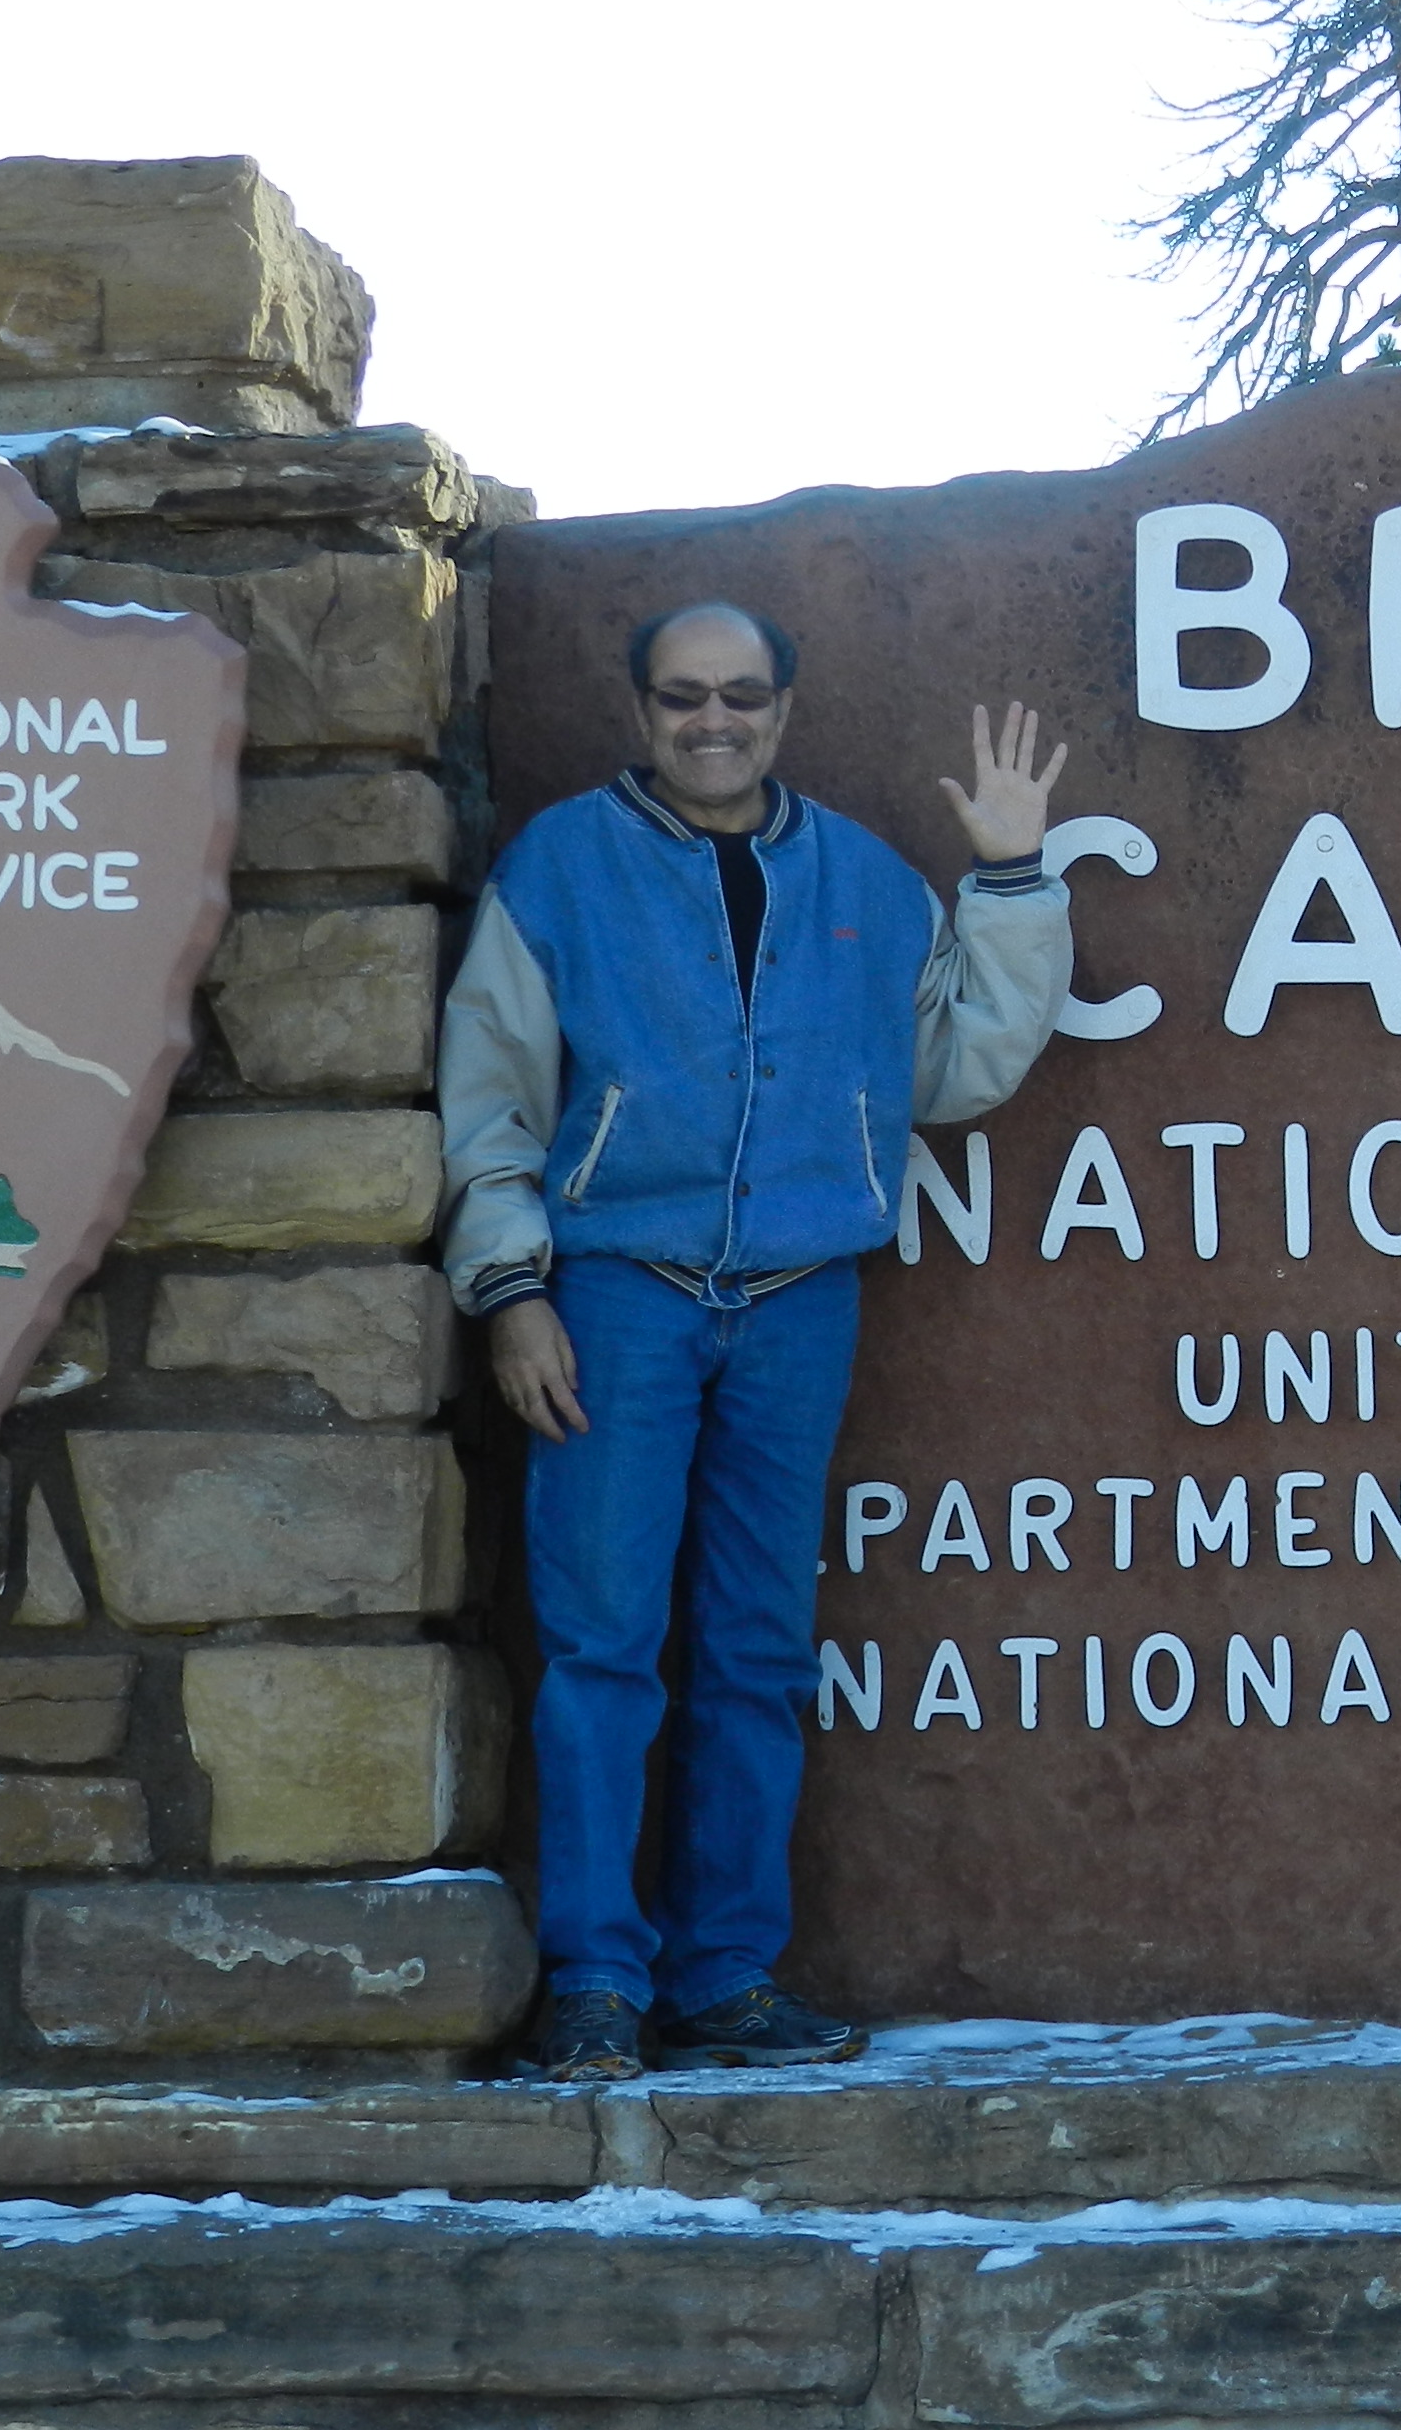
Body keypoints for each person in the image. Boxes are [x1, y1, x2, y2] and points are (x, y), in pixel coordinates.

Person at [439, 603, 1073, 2080]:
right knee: (602, 1645)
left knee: (759, 1650)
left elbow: (955, 1070)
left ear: (784, 708)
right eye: (682, 696)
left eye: (740, 694)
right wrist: (511, 1289)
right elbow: (491, 1090)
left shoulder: (865, 876)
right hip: (616, 1294)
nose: (711, 720)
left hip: (801, 1298)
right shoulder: (561, 867)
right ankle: (597, 1982)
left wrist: (1011, 877)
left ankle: (726, 1972)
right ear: (640, 709)